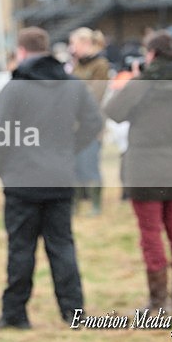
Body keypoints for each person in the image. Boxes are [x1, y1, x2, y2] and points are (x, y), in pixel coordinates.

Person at [0, 27, 103, 329]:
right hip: (60, 177)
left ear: (22, 51)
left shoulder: (14, 88)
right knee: (62, 246)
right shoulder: (73, 85)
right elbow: (94, 122)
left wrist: (5, 168)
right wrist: (70, 151)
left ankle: (15, 314)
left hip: (21, 180)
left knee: (21, 249)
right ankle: (73, 313)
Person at [103, 31, 172, 312]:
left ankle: (158, 300)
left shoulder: (141, 84)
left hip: (144, 169)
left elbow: (113, 111)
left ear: (151, 55)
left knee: (150, 234)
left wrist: (136, 78)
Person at [68, 27, 110, 216]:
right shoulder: (77, 65)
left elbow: (96, 94)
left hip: (91, 125)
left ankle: (96, 205)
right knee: (74, 165)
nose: (71, 48)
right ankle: (75, 204)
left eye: (73, 43)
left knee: (90, 164)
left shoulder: (100, 65)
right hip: (73, 124)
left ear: (85, 43)